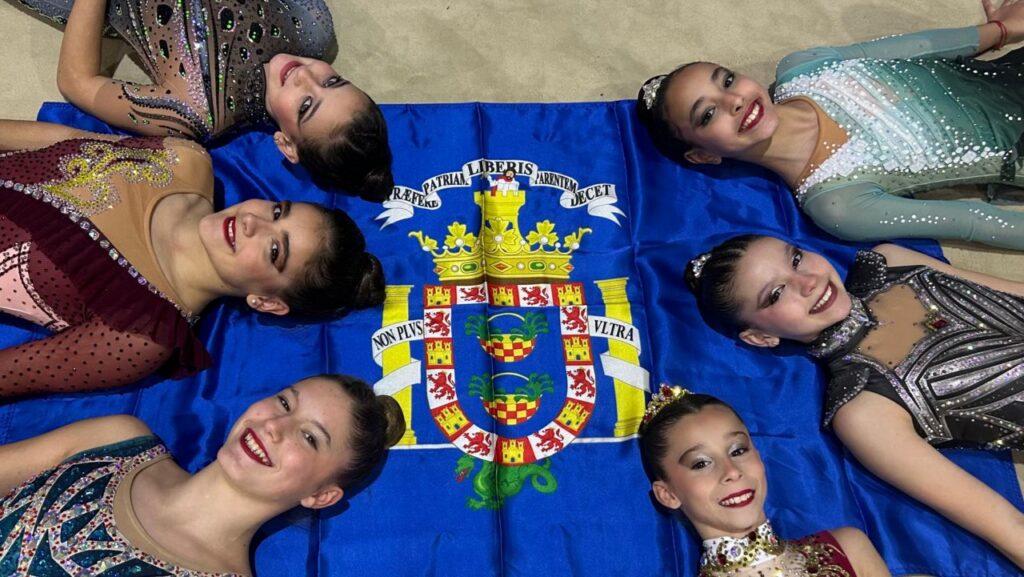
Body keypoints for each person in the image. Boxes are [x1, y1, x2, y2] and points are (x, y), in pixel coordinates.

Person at [686, 234, 1024, 567]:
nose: (808, 282)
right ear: (761, 337)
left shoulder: (890, 261)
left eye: (796, 259)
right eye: (776, 294)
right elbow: (1008, 528)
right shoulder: (864, 412)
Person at [0, 119, 385, 395]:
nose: (252, 222)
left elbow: (9, 373)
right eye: (276, 211)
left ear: (266, 302)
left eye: (274, 251)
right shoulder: (186, 161)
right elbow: (65, 139)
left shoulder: (140, 335)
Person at [637, 0, 1024, 250]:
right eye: (708, 115)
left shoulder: (802, 68)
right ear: (703, 155)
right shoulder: (837, 204)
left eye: (727, 80)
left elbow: (918, 47)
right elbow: (968, 222)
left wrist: (1003, 30)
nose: (734, 101)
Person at [0, 373, 406, 576]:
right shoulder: (117, 440)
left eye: (309, 437)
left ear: (320, 496)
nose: (273, 426)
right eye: (285, 403)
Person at [18, 0, 393, 200]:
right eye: (332, 80)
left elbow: (77, 81)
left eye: (306, 105)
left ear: (286, 145)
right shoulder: (313, 28)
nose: (305, 76)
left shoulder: (195, 112)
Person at [639, 385, 889, 577]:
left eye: (738, 450)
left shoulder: (847, 548)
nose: (732, 471)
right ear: (668, 495)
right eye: (701, 463)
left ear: (758, 456)